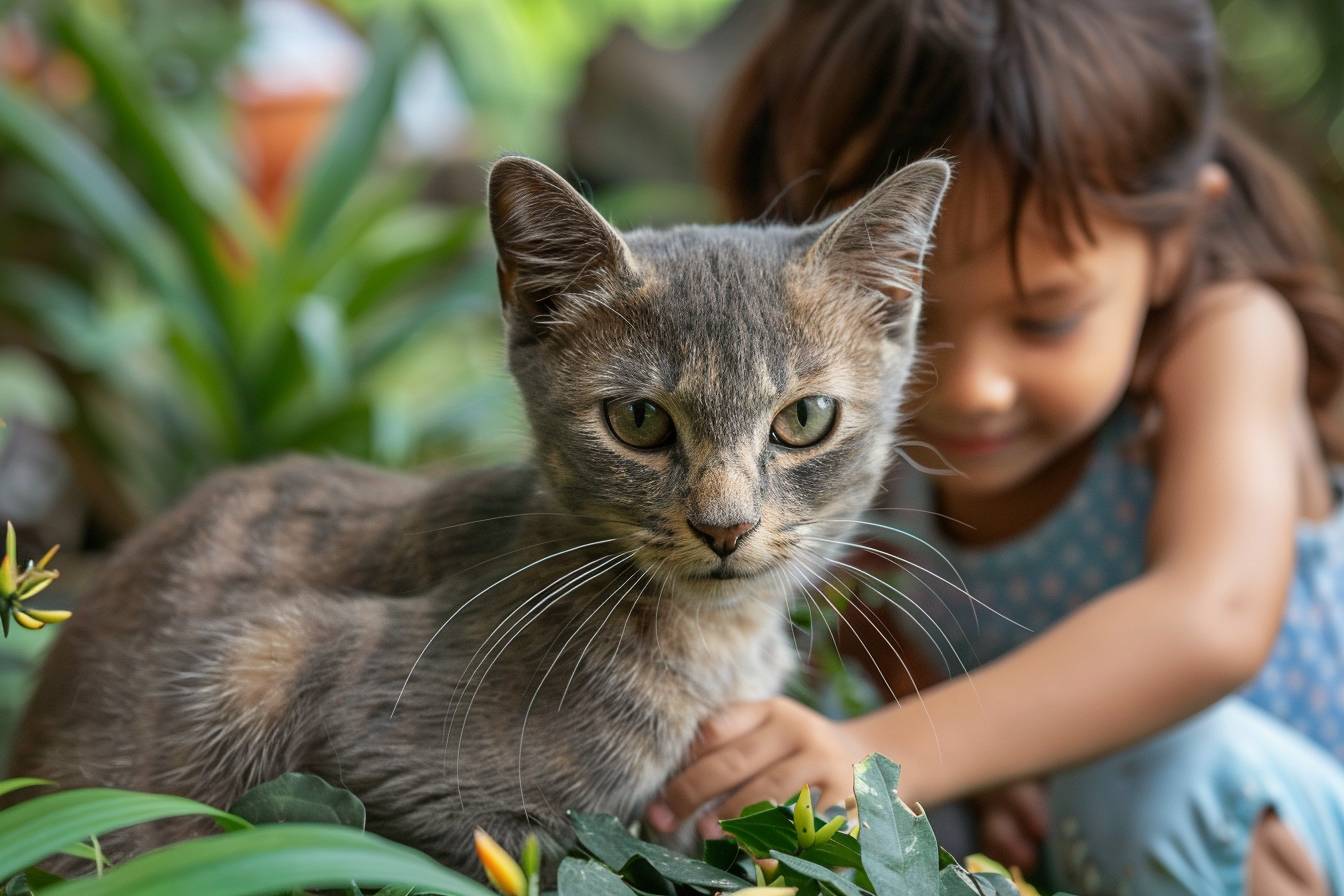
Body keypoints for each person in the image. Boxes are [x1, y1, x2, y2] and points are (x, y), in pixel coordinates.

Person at [644, 2, 1344, 893]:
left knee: (1156, 774)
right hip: (1083, 845)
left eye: (1046, 318)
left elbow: (1211, 620)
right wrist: (976, 756)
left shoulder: (1226, 340)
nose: (973, 385)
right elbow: (864, 645)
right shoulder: (827, 429)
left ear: (1173, 242)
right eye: (913, 323)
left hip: (1295, 814)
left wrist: (888, 753)